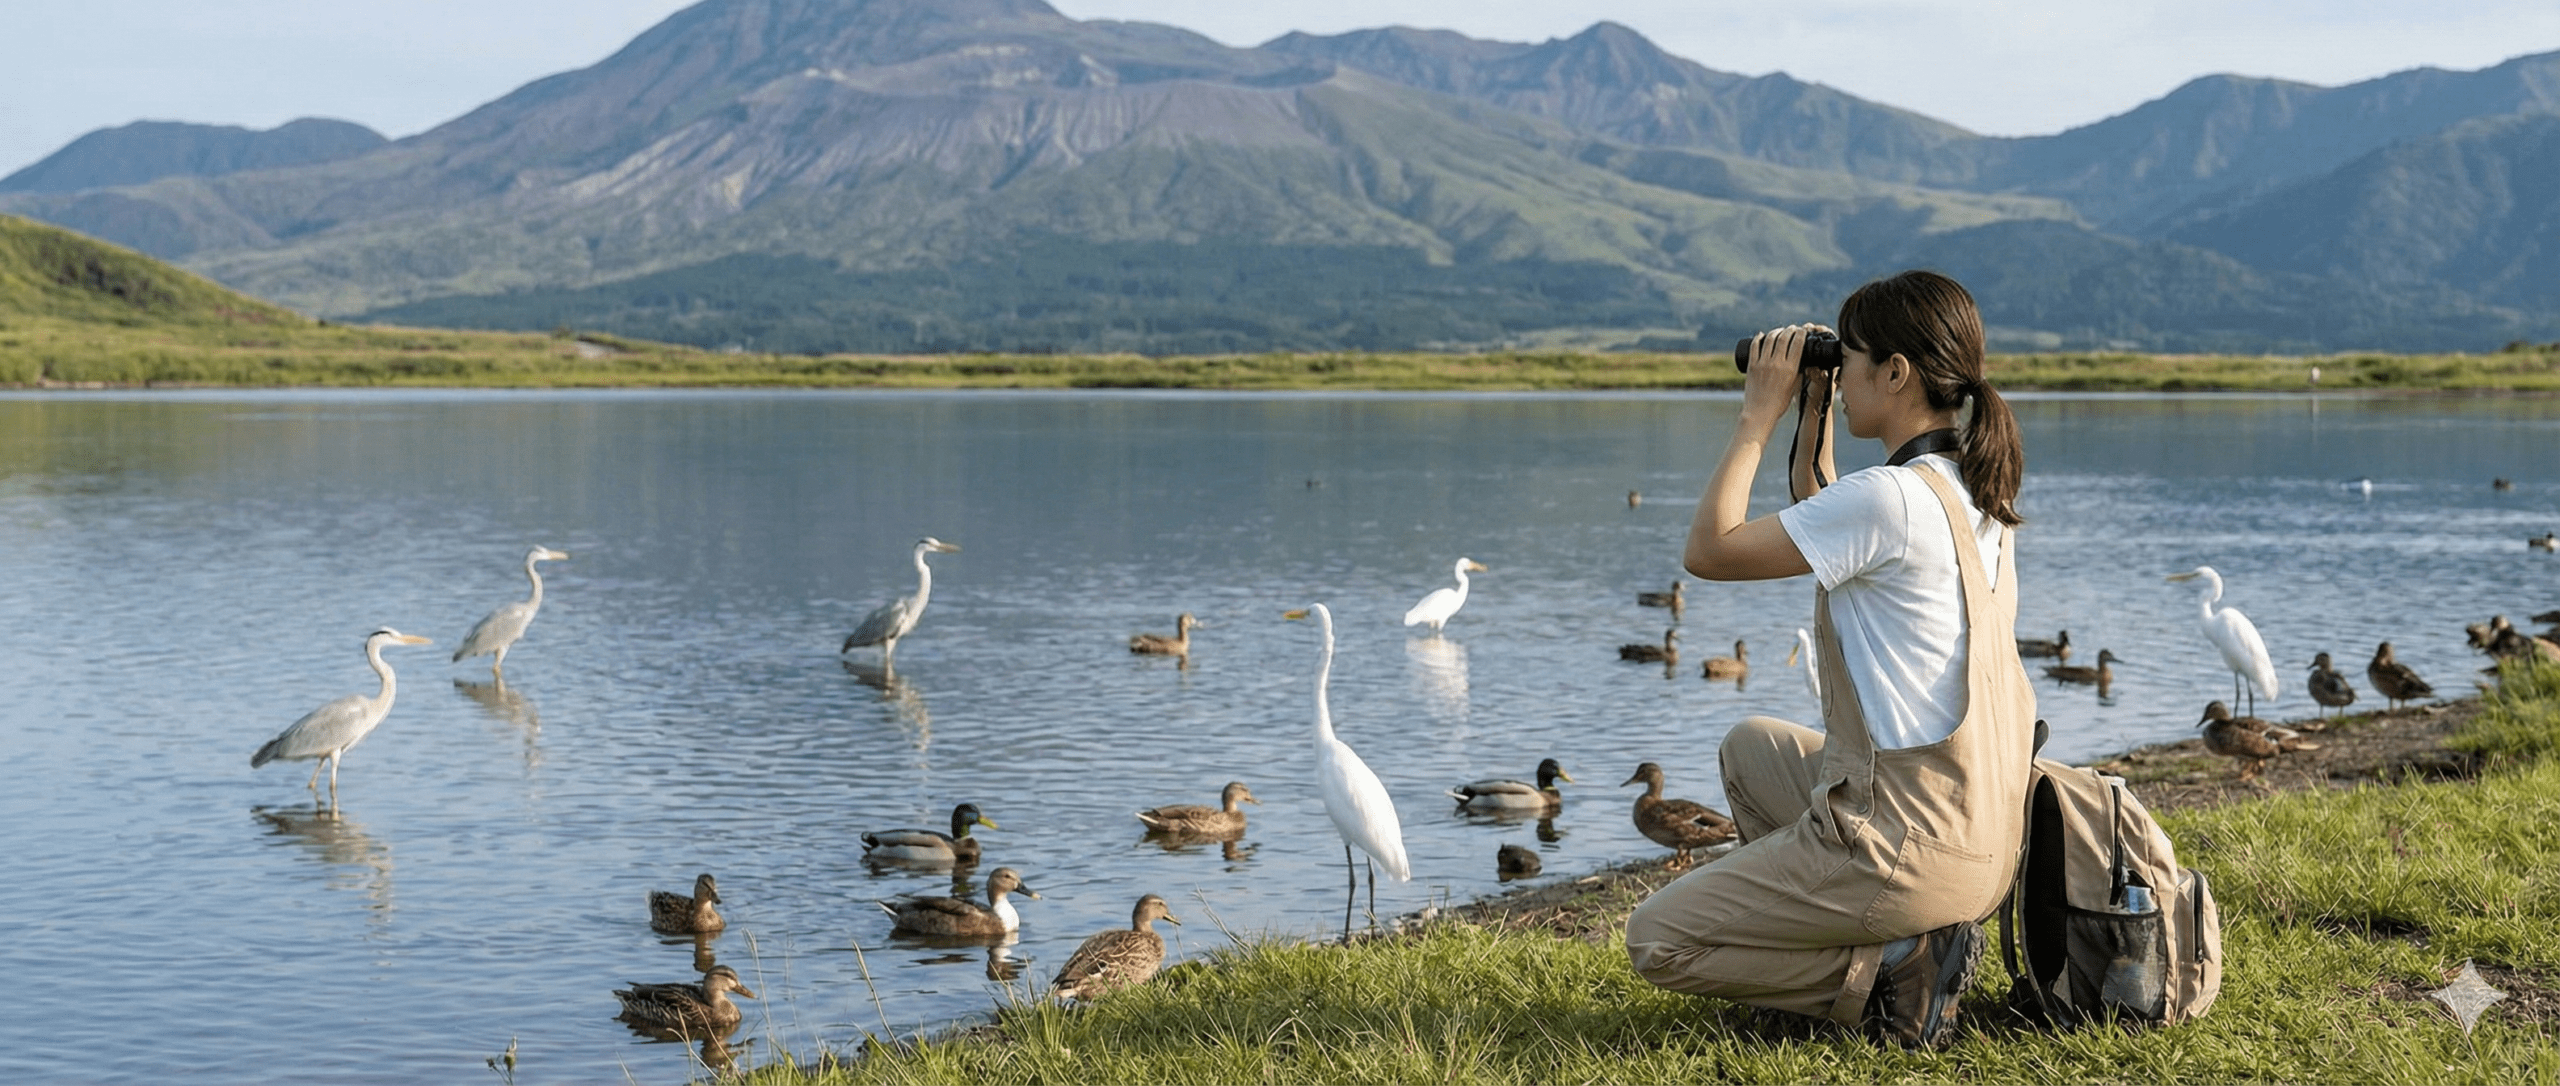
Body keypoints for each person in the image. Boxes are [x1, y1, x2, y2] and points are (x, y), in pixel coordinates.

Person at [1621, 270, 2035, 1050]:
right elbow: (1828, 508)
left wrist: (1757, 415)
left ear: (1896, 373)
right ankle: (1866, 942)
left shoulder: (1889, 499)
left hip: (1907, 850)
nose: (1840, 379)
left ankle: (1887, 972)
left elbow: (1707, 551)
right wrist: (1813, 408)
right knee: (1752, 747)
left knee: (1657, 938)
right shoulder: (1970, 492)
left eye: (1847, 363)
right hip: (1980, 835)